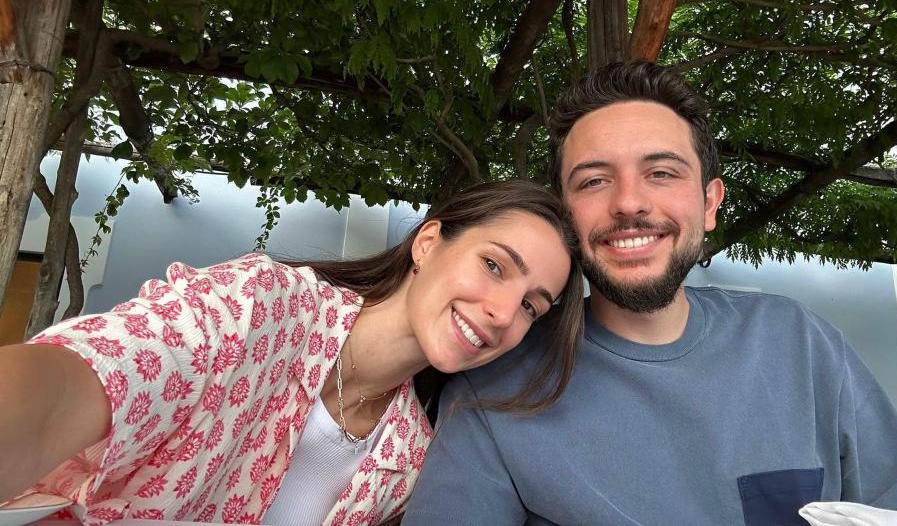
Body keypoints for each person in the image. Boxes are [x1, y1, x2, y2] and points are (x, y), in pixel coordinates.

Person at [402, 62, 897, 525]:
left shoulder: (798, 342)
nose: (628, 203)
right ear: (565, 215)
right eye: (593, 181)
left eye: (662, 173)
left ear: (711, 202)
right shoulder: (497, 387)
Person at [0, 179, 584, 525]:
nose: (505, 313)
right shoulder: (259, 308)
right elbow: (89, 376)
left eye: (533, 305)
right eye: (493, 265)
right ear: (428, 243)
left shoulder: (408, 459)